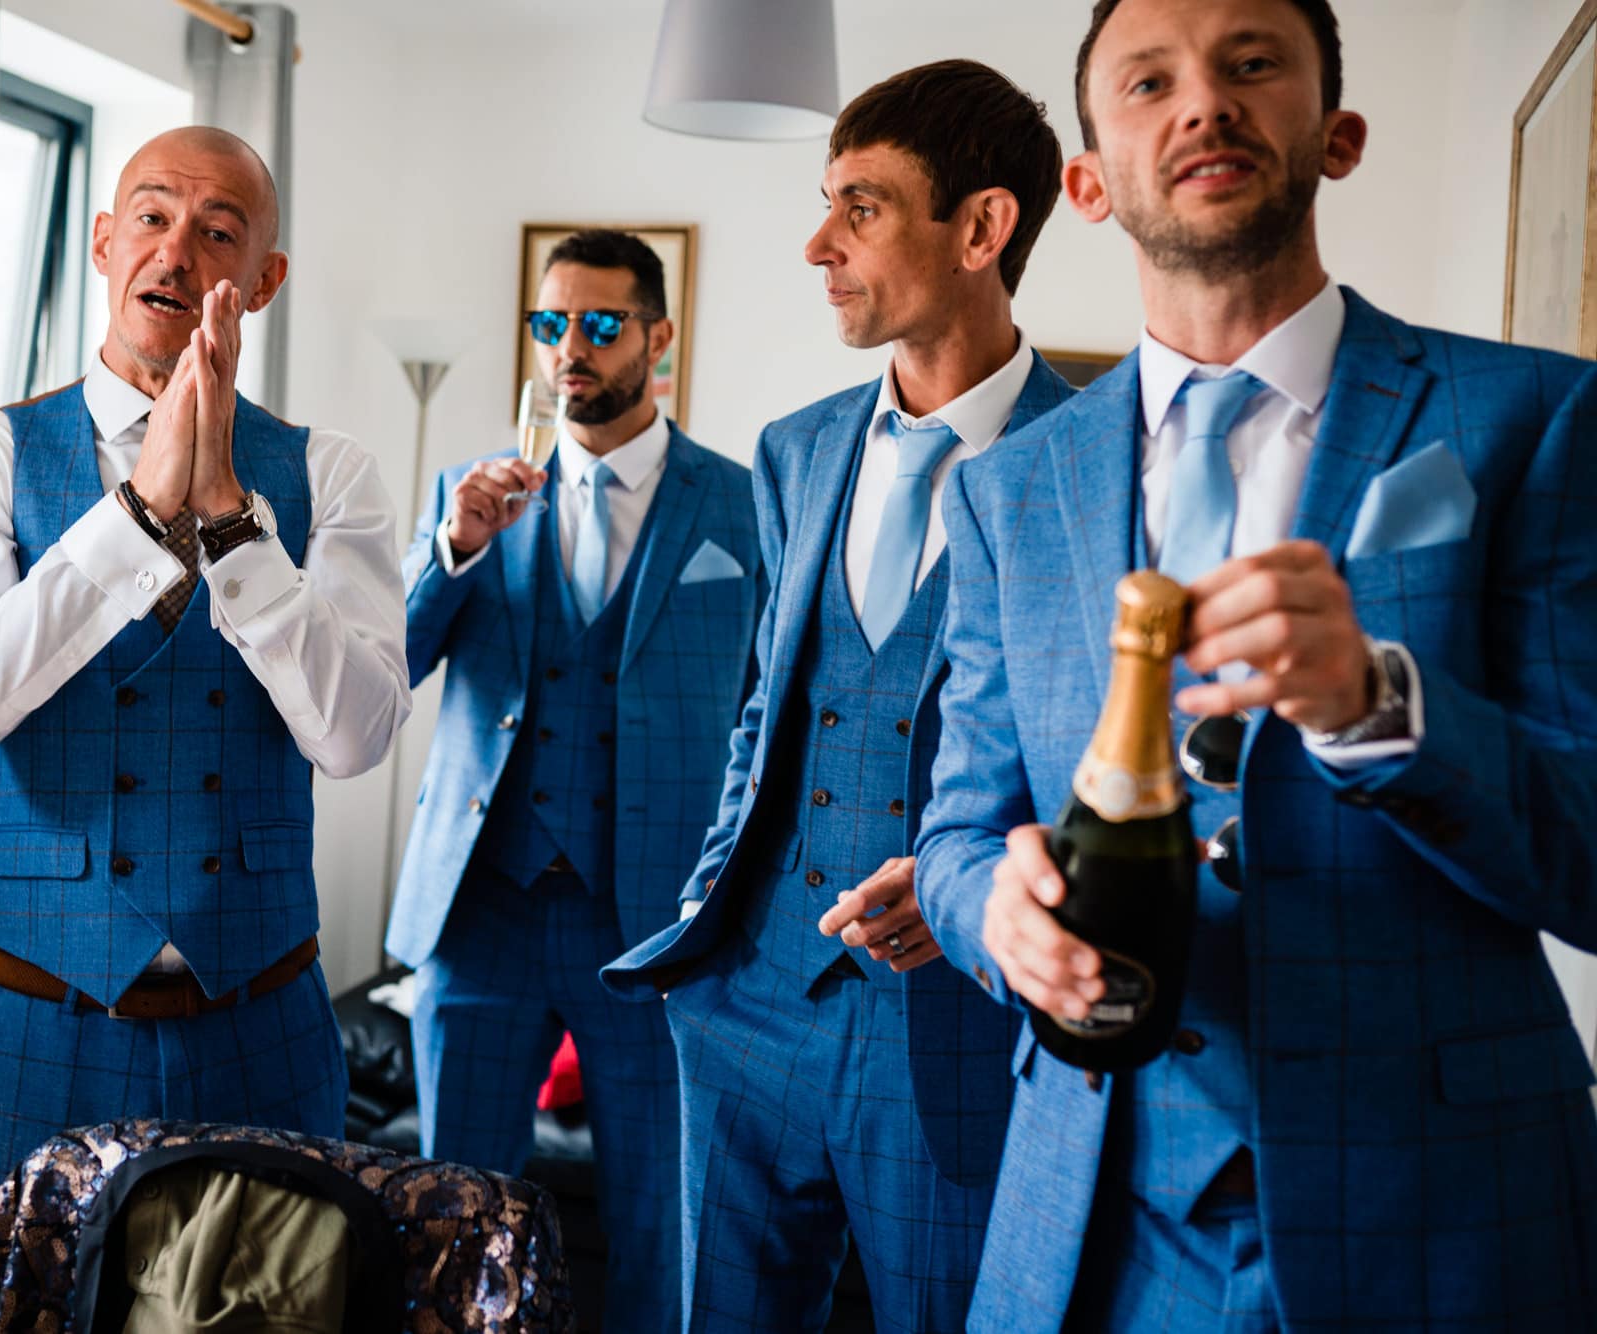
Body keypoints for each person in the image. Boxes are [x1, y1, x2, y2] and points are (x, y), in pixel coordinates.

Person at [917, 1, 1597, 1327]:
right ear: (1090, 182)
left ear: (1335, 135)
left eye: (1250, 65)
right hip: (1093, 1219)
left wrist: (1382, 703)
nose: (1203, 104)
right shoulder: (1005, 491)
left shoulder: (1539, 419)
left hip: (1445, 1214)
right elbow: (956, 828)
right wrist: (991, 918)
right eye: (1150, 79)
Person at [605, 63, 1071, 1333]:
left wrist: (982, 873)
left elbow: (1115, 767)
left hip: (954, 1034)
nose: (816, 245)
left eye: (859, 209)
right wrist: (712, 910)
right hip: (742, 1005)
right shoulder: (794, 448)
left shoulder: (1091, 464)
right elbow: (767, 703)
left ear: (979, 230)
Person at [0, 126, 409, 1224]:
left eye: (218, 232)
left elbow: (355, 737)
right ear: (102, 240)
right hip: (39, 1033)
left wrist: (228, 523)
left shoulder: (332, 473)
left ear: (260, 281)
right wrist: (127, 522)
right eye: (152, 216)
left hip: (264, 1032)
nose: (176, 252)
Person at [388, 228, 764, 1332]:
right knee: (454, 1215)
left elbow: (766, 709)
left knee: (661, 1219)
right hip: (482, 913)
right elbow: (391, 664)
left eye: (599, 326)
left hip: (651, 925)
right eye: (550, 324)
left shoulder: (741, 506)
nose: (569, 350)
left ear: (658, 337)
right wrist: (455, 544)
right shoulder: (473, 492)